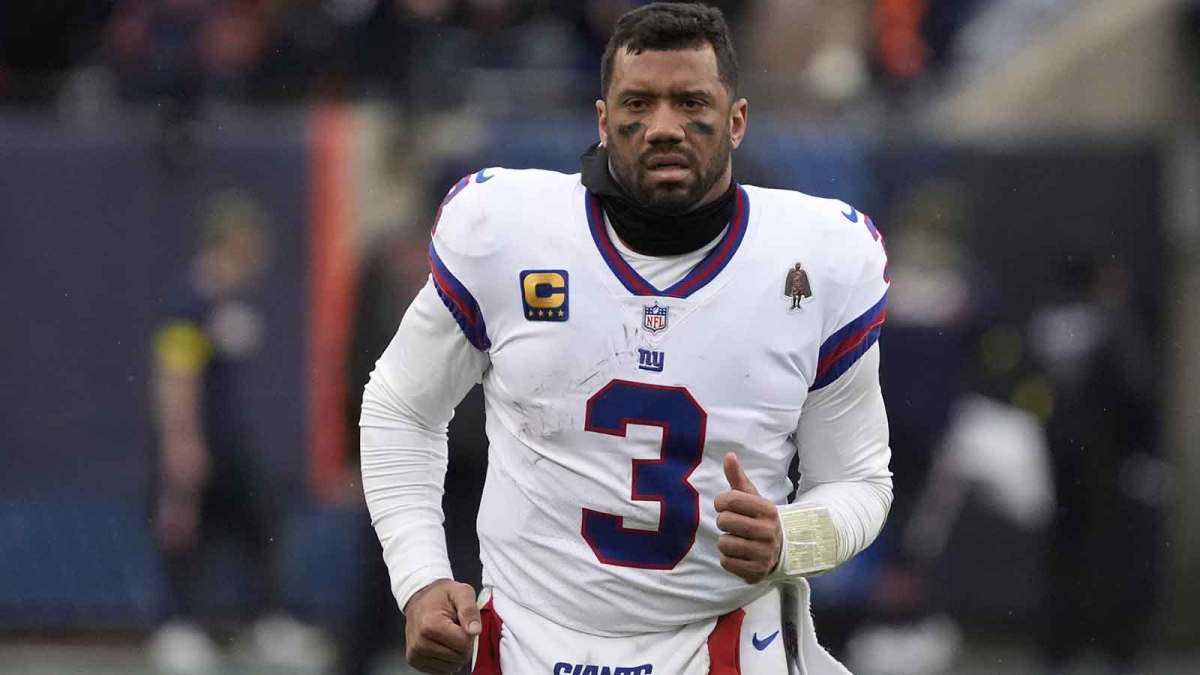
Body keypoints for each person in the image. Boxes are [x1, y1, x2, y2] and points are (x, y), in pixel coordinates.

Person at [361, 4, 893, 673]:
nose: (664, 126)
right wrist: (419, 578)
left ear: (736, 120)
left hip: (723, 635)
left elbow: (860, 483)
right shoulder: (509, 230)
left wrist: (793, 538)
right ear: (603, 119)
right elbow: (401, 409)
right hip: (533, 635)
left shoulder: (816, 259)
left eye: (691, 101)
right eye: (639, 102)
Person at [148, 192, 323, 673]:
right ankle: (177, 629)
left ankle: (267, 624)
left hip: (230, 445)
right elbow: (174, 377)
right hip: (198, 443)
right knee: (187, 534)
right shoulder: (189, 303)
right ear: (233, 243)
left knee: (261, 526)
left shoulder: (225, 303)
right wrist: (182, 443)